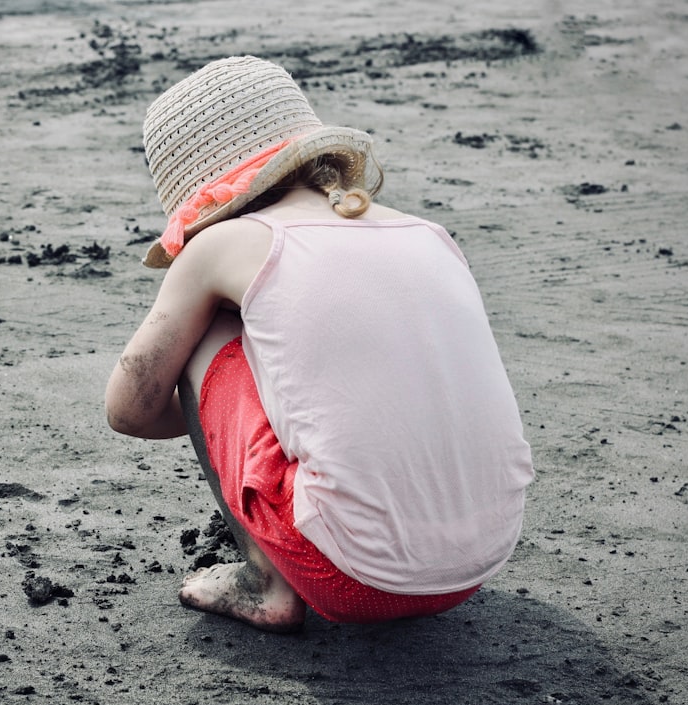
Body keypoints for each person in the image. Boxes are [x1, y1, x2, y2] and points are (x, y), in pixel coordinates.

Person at [105, 56, 534, 633]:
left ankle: (265, 583)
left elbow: (128, 410)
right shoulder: (427, 233)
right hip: (479, 563)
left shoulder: (222, 246)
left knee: (203, 338)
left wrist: (214, 406)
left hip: (350, 577)